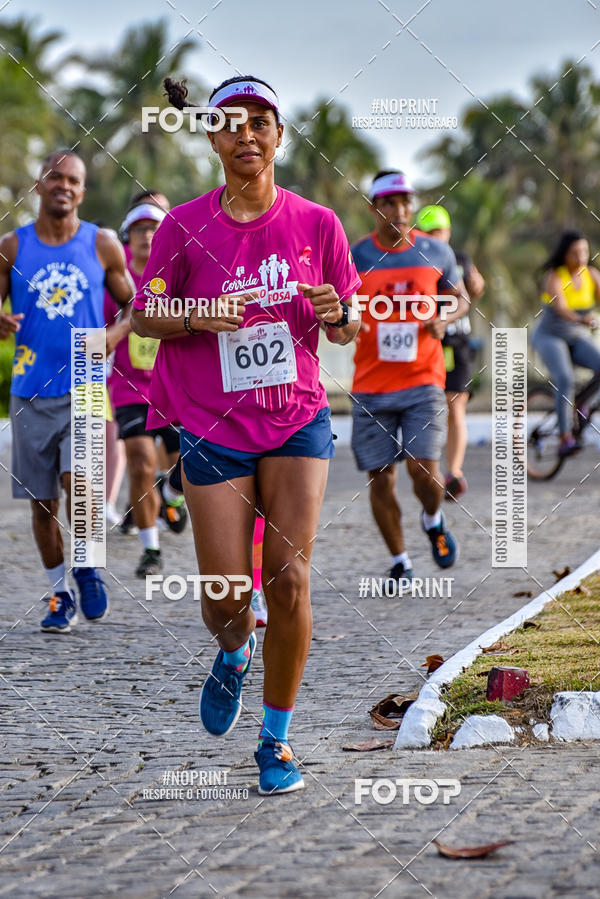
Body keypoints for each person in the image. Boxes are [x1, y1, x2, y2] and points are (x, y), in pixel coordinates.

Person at [131, 74, 361, 794]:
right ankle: (233, 652)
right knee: (227, 597)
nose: (248, 135)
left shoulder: (318, 223)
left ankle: (276, 740)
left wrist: (335, 313)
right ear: (213, 138)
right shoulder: (182, 227)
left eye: (262, 122)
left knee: (289, 579)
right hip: (211, 423)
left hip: (296, 418)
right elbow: (144, 317)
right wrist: (200, 314)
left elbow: (350, 325)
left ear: (279, 136)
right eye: (232, 123)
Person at [0, 149, 134, 632]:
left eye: (74, 180)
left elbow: (137, 308)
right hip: (29, 389)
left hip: (86, 384)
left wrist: (111, 339)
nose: (65, 186)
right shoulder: (11, 247)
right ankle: (60, 594)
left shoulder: (102, 244)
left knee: (81, 485)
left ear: (82, 190)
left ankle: (86, 566)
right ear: (39, 184)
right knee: (41, 504)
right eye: (56, 177)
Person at [350, 171, 470, 586]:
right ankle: (401, 560)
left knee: (425, 471)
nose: (399, 210)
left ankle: (433, 518)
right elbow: (342, 310)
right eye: (389, 203)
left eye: (406, 202)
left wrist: (445, 317)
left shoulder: (436, 252)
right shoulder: (356, 256)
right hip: (370, 386)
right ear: (374, 208)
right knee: (381, 479)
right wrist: (351, 324)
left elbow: (461, 296)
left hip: (424, 380)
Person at [105, 199, 187, 578]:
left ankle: (171, 493)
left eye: (154, 229)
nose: (147, 236)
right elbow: (96, 335)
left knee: (190, 462)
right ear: (128, 236)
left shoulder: (177, 276)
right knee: (139, 461)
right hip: (128, 390)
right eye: (139, 229)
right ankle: (151, 549)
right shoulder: (115, 282)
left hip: (174, 388)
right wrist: (125, 322)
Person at [414, 205, 485, 500]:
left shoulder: (460, 259)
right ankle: (431, 471)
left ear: (448, 232)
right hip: (426, 342)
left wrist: (476, 285)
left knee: (455, 406)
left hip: (456, 342)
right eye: (429, 233)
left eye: (439, 232)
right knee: (429, 407)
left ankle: (454, 472)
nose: (435, 238)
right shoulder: (414, 260)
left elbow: (475, 287)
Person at [531, 230, 600, 456]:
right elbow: (561, 308)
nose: (580, 258)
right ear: (564, 254)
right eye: (575, 253)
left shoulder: (591, 275)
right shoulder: (555, 277)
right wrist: (582, 319)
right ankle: (564, 437)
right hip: (550, 336)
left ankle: (580, 403)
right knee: (565, 378)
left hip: (577, 336)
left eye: (584, 252)